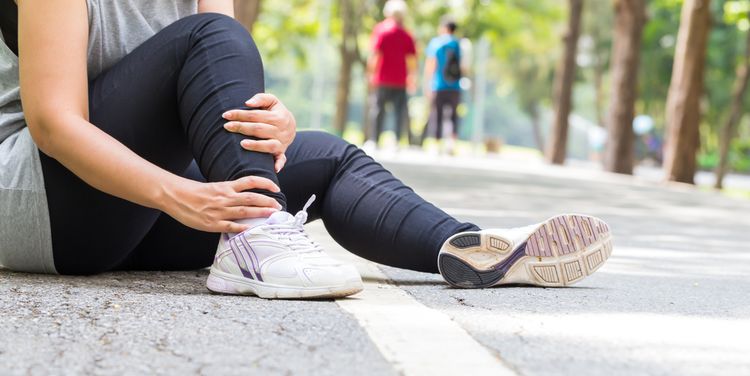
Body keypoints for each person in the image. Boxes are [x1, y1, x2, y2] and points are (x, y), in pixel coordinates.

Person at [0, 0, 613, 299]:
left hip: (123, 210)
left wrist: (278, 125)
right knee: (208, 35)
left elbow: (219, 96)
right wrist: (181, 194)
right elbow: (54, 123)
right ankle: (256, 240)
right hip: (41, 200)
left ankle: (476, 250)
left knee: (328, 157)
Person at [365, 0, 417, 151]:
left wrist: (370, 74)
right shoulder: (407, 35)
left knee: (378, 109)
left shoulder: (381, 31)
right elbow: (412, 60)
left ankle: (374, 140)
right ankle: (396, 141)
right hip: (400, 79)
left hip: (382, 78)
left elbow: (375, 55)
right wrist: (412, 77)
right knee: (399, 111)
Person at [423, 19, 463, 153]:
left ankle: (437, 143)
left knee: (437, 114)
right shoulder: (458, 43)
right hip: (455, 86)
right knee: (453, 116)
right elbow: (463, 66)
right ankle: (451, 144)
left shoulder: (436, 42)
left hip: (438, 84)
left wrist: (427, 83)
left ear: (444, 28)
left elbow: (431, 63)